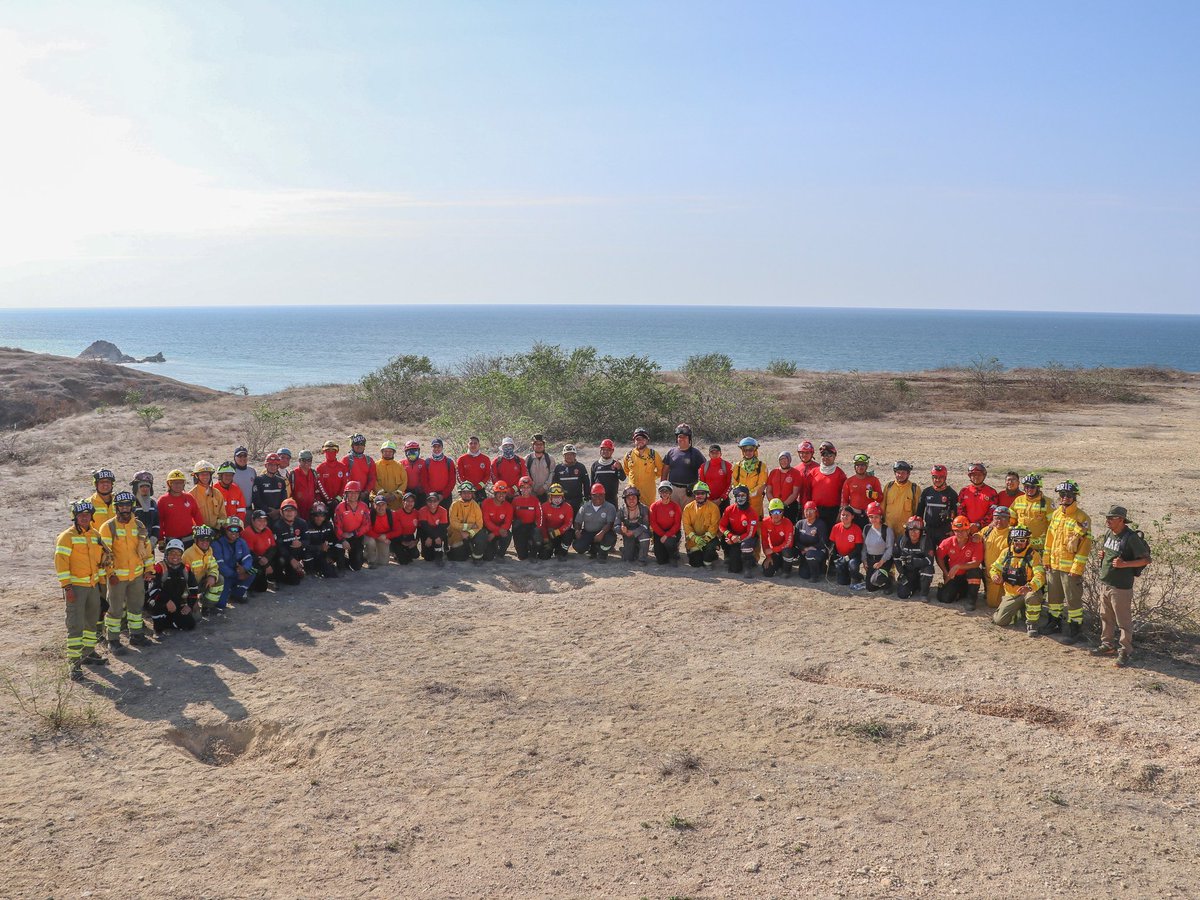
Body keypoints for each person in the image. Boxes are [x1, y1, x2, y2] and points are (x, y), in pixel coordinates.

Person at [1092, 505, 1151, 667]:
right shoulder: (1109, 533)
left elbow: (1146, 560)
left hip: (1121, 587)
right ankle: (1107, 645)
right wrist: (1102, 555)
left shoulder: (1131, 538)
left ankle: (1125, 651)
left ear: (1121, 520)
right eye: (1107, 518)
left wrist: (1125, 564)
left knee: (1123, 621)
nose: (1108, 521)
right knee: (1106, 617)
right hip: (1105, 583)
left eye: (1111, 518)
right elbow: (1110, 553)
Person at [97, 491, 155, 653]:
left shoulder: (139, 526)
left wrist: (149, 570)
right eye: (121, 506)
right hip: (117, 578)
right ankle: (113, 640)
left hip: (136, 576)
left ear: (132, 507)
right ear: (116, 508)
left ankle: (136, 635)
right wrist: (111, 574)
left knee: (136, 608)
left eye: (127, 505)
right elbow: (105, 554)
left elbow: (147, 551)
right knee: (114, 610)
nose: (125, 508)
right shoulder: (108, 527)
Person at [56, 499, 107, 678]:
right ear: (75, 517)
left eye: (87, 515)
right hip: (76, 588)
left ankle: (89, 653)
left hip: (93, 586)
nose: (84, 518)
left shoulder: (94, 535)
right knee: (75, 625)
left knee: (91, 622)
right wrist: (67, 588)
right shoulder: (66, 537)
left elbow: (99, 561)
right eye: (81, 515)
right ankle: (75, 664)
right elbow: (61, 565)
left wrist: (101, 585)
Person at [1042, 480, 1093, 643]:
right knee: (1054, 599)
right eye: (1062, 495)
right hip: (1054, 566)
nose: (1065, 498)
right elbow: (1050, 539)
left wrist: (1077, 568)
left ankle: (1074, 630)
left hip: (1070, 569)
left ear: (1075, 497)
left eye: (1069, 495)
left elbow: (1085, 546)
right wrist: (1046, 559)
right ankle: (1054, 624)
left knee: (1073, 601)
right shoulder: (1056, 514)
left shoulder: (1082, 518)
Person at [990, 526, 1046, 636]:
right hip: (1011, 594)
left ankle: (1032, 624)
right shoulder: (1006, 553)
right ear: (1012, 540)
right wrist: (995, 575)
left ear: (1027, 541)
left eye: (1022, 540)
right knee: (999, 621)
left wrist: (1030, 587)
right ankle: (1018, 612)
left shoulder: (1033, 555)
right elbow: (994, 568)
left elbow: (1040, 576)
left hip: (1027, 592)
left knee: (1032, 597)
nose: (1018, 543)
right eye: (1016, 540)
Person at [146, 540, 199, 636]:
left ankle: (170, 621)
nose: (175, 556)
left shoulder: (186, 569)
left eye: (178, 553)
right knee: (159, 625)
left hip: (177, 604)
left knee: (190, 624)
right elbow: (152, 590)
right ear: (166, 554)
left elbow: (194, 588)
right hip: (160, 602)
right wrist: (167, 601)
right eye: (172, 553)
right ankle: (160, 625)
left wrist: (189, 605)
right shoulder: (159, 567)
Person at [936, 516, 983, 608]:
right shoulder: (947, 542)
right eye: (957, 531)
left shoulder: (976, 543)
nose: (959, 533)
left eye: (962, 530)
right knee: (945, 598)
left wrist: (958, 566)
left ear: (968, 531)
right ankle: (961, 592)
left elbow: (976, 563)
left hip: (968, 575)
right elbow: (939, 557)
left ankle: (971, 601)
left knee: (975, 571)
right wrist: (946, 572)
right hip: (954, 576)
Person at [212, 516, 254, 609]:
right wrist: (237, 575)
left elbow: (248, 558)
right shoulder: (216, 544)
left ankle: (237, 594)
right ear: (225, 530)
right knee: (221, 605)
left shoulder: (241, 542)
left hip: (237, 572)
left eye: (237, 529)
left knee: (252, 571)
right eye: (231, 529)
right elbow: (221, 566)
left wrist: (244, 568)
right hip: (224, 577)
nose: (234, 532)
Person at [916, 465, 958, 557]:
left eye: (940, 477)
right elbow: (919, 513)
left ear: (945, 478)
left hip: (945, 531)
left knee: (945, 558)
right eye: (935, 477)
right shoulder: (926, 492)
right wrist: (919, 530)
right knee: (927, 558)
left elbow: (956, 515)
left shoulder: (952, 494)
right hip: (929, 530)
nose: (937, 480)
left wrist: (953, 531)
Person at [661, 423, 706, 509]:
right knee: (673, 515)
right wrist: (663, 486)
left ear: (689, 439)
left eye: (685, 437)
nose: (682, 439)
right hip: (673, 490)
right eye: (680, 437)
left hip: (689, 491)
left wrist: (699, 488)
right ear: (676, 438)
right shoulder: (671, 452)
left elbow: (704, 470)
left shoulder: (696, 453)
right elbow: (665, 470)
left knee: (688, 516)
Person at [157, 469, 204, 551]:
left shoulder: (189, 497)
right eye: (175, 482)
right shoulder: (163, 500)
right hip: (171, 541)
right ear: (169, 484)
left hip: (189, 540)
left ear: (184, 484)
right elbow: (159, 521)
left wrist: (201, 533)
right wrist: (160, 539)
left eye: (180, 482)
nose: (178, 485)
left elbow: (197, 516)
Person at [719, 485, 759, 577]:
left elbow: (750, 533)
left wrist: (738, 539)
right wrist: (730, 536)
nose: (741, 498)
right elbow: (721, 526)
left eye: (743, 495)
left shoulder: (752, 513)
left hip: (747, 538)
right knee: (734, 569)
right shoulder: (729, 509)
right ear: (735, 497)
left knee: (746, 546)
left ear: (747, 496)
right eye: (738, 496)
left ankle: (748, 567)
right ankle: (730, 556)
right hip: (733, 537)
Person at [182, 525, 223, 617]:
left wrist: (212, 576)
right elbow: (183, 581)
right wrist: (193, 600)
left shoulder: (209, 551)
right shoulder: (188, 554)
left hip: (200, 583)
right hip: (187, 589)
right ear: (196, 540)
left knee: (219, 579)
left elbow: (213, 566)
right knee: (196, 619)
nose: (205, 543)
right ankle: (187, 605)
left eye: (207, 540)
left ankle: (207, 606)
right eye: (202, 540)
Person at [978, 507, 1014, 609]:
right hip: (991, 575)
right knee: (992, 604)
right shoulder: (987, 530)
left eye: (1003, 518)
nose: (999, 520)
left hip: (1007, 576)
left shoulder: (1012, 534)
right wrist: (976, 536)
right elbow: (978, 536)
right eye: (996, 518)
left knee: (1008, 603)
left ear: (1009, 520)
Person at [808, 442, 847, 533]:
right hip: (816, 510)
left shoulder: (840, 474)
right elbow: (807, 492)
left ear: (834, 456)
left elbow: (844, 495)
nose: (826, 457)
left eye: (829, 455)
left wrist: (841, 512)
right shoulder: (813, 472)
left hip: (833, 511)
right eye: (824, 455)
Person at [573, 483, 618, 561]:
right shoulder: (584, 507)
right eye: (595, 495)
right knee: (578, 547)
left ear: (604, 495)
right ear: (591, 495)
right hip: (588, 532)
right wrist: (577, 530)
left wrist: (602, 533)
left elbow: (610, 523)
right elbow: (577, 522)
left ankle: (603, 553)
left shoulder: (610, 507)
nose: (598, 497)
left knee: (609, 539)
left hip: (604, 533)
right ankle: (593, 548)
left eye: (601, 495)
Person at [894, 517, 935, 599]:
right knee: (902, 594)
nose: (913, 533)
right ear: (907, 530)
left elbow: (929, 561)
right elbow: (896, 557)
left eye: (916, 530)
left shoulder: (926, 541)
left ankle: (924, 593)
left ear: (921, 531)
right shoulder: (901, 540)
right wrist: (901, 571)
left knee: (928, 569)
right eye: (911, 530)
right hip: (909, 571)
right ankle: (914, 586)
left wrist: (913, 560)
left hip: (921, 571)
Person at [682, 482, 721, 568]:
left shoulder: (714, 508)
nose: (699, 496)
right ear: (694, 495)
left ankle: (710, 558)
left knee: (710, 550)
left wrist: (704, 540)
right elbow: (687, 526)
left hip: (708, 539)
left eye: (702, 493)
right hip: (693, 540)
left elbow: (713, 527)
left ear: (707, 494)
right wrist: (695, 539)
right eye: (697, 493)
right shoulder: (687, 508)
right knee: (696, 563)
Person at [335, 481, 371, 571]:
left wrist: (354, 533)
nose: (353, 495)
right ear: (346, 494)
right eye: (350, 492)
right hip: (342, 536)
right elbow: (336, 526)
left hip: (356, 536)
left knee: (357, 567)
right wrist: (343, 540)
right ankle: (342, 559)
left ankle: (355, 558)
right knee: (341, 566)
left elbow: (367, 525)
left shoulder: (364, 507)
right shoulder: (340, 507)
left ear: (359, 494)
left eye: (356, 493)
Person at [1011, 474, 1051, 554]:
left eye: (1032, 487)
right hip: (1021, 544)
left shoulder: (1047, 502)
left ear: (1038, 487)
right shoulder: (1018, 500)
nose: (1029, 489)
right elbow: (1011, 519)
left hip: (1039, 546)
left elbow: (1052, 524)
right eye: (1026, 486)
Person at [860, 502, 895, 593]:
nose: (873, 519)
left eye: (876, 517)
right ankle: (879, 580)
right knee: (870, 587)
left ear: (881, 517)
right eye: (871, 517)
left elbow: (890, 549)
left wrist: (881, 562)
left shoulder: (887, 530)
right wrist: (864, 560)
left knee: (876, 579)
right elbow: (864, 547)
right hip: (871, 559)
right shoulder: (866, 529)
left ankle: (889, 581)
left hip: (883, 560)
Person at [791, 501, 830, 582]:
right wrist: (803, 548)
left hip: (817, 551)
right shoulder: (800, 523)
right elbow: (796, 541)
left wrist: (811, 548)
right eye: (806, 510)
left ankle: (815, 575)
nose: (809, 513)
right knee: (804, 575)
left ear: (816, 512)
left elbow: (823, 543)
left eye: (811, 510)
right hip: (804, 551)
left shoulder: (820, 524)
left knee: (810, 554)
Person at [841, 454, 883, 529]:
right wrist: (845, 515)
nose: (860, 467)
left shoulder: (874, 480)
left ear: (866, 466)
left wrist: (874, 495)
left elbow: (880, 499)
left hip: (870, 517)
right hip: (854, 516)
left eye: (863, 465)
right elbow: (845, 501)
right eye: (858, 465)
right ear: (854, 467)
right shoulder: (849, 481)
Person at [731, 437, 769, 519]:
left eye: (751, 450)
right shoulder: (737, 466)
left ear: (755, 450)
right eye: (745, 450)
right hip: (740, 500)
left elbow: (762, 484)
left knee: (756, 523)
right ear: (742, 451)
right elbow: (734, 482)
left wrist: (749, 494)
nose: (748, 452)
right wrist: (740, 493)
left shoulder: (762, 466)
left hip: (755, 502)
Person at [448, 483, 486, 562]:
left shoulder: (476, 506)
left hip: (471, 533)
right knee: (459, 558)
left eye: (469, 493)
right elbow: (453, 523)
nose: (467, 495)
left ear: (472, 494)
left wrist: (469, 533)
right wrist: (469, 526)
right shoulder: (454, 505)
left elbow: (479, 524)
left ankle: (477, 558)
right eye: (464, 493)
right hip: (458, 532)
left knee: (482, 535)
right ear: (460, 494)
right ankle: (463, 549)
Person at [881, 461, 920, 539]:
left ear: (908, 474)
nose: (900, 475)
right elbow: (883, 505)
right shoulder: (888, 486)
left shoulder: (914, 488)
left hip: (905, 529)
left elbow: (917, 509)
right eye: (898, 472)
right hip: (889, 527)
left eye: (903, 473)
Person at [273, 498, 308, 584]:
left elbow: (307, 540)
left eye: (292, 510)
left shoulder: (302, 523)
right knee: (292, 581)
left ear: (296, 512)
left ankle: (302, 567)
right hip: (285, 556)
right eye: (286, 511)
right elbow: (279, 547)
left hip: (298, 553)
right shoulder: (277, 526)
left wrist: (301, 543)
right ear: (281, 512)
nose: (289, 513)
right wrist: (291, 559)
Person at [828, 506, 865, 588]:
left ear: (852, 516)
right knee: (842, 582)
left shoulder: (857, 529)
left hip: (853, 557)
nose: (844, 517)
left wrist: (847, 557)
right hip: (841, 556)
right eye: (842, 515)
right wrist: (832, 553)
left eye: (847, 515)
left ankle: (857, 578)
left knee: (852, 565)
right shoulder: (836, 527)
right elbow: (832, 543)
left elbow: (858, 548)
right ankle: (850, 574)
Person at [303, 503, 342, 577]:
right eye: (316, 515)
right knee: (310, 569)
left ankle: (340, 562)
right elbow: (304, 545)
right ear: (312, 516)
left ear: (325, 516)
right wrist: (319, 547)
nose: (319, 518)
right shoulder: (306, 526)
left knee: (330, 574)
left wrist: (330, 555)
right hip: (311, 553)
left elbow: (332, 540)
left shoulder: (329, 525)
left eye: (322, 515)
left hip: (324, 553)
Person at [623, 427, 660, 504]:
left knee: (648, 512)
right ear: (634, 441)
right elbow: (626, 471)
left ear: (647, 440)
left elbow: (660, 470)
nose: (640, 441)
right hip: (633, 491)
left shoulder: (653, 454)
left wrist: (651, 477)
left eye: (643, 439)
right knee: (633, 513)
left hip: (648, 492)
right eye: (638, 439)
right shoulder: (628, 455)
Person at [958, 463, 999, 531]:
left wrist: (979, 524)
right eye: (973, 475)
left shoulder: (992, 492)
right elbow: (960, 509)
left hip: (985, 529)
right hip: (966, 528)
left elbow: (992, 511)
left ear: (984, 475)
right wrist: (967, 524)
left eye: (979, 475)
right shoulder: (964, 491)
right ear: (969, 476)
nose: (976, 477)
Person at [649, 481, 683, 565]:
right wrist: (662, 534)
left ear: (670, 493)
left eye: (667, 491)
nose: (664, 493)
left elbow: (677, 524)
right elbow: (653, 523)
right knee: (661, 560)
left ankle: (673, 555)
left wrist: (667, 535)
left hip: (672, 532)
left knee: (670, 542)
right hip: (659, 532)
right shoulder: (654, 506)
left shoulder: (675, 506)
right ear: (659, 492)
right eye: (662, 491)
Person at [511, 477, 544, 562]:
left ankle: (533, 553)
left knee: (537, 537)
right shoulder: (515, 500)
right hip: (520, 528)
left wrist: (537, 528)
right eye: (523, 487)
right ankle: (523, 545)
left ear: (531, 488)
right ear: (520, 488)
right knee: (522, 556)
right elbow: (511, 515)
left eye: (528, 487)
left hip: (531, 526)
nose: (525, 489)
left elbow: (539, 515)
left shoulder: (535, 500)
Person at [244, 511, 278, 591]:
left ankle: (272, 579)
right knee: (261, 588)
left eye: (265, 520)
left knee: (280, 560)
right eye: (259, 520)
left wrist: (266, 560)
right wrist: (265, 564)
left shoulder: (267, 530)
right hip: (253, 561)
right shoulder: (248, 532)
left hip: (265, 558)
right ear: (252, 520)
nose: (262, 523)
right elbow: (249, 553)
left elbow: (273, 547)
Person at [617, 486, 652, 565]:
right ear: (625, 500)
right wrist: (622, 530)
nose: (631, 500)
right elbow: (616, 525)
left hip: (640, 532)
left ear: (638, 498)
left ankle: (642, 559)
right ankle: (629, 550)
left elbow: (646, 525)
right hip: (627, 533)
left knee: (645, 536)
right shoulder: (621, 510)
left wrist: (634, 532)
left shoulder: (644, 509)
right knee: (628, 558)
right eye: (628, 498)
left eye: (634, 497)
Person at [481, 481, 515, 561]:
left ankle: (500, 554)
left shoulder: (508, 506)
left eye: (504, 493)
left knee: (507, 535)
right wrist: (493, 532)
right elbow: (486, 521)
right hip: (488, 530)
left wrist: (495, 533)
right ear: (495, 493)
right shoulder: (486, 503)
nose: (501, 495)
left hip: (500, 531)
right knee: (488, 558)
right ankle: (493, 546)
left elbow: (507, 524)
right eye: (499, 492)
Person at [765, 452, 803, 523]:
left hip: (789, 506)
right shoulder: (773, 472)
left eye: (785, 459)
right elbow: (768, 491)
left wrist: (783, 505)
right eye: (781, 459)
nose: (783, 461)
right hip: (774, 507)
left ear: (789, 460)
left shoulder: (796, 473)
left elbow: (795, 493)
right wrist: (774, 504)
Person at [552, 445, 590, 514]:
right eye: (567, 454)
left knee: (577, 523)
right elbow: (554, 484)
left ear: (575, 455)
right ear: (563, 455)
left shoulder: (581, 467)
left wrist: (587, 498)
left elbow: (586, 483)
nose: (569, 456)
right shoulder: (558, 468)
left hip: (577, 501)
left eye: (571, 454)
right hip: (562, 501)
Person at [539, 484, 574, 560]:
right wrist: (545, 537)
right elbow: (542, 524)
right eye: (554, 497)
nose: (557, 499)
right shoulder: (544, 507)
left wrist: (558, 532)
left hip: (561, 534)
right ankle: (549, 548)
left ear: (563, 497)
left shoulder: (568, 507)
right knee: (544, 556)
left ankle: (562, 551)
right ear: (550, 497)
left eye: (559, 496)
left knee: (570, 533)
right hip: (549, 534)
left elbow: (568, 524)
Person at [760, 499, 794, 577]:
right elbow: (764, 541)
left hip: (785, 549)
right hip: (775, 551)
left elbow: (789, 543)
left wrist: (772, 550)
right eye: (773, 512)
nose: (776, 515)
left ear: (783, 512)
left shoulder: (788, 523)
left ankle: (787, 570)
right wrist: (768, 557)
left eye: (779, 512)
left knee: (787, 552)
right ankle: (779, 564)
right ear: (769, 513)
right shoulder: (765, 522)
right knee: (767, 572)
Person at [251, 453, 289, 521]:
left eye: (275, 465)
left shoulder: (281, 481)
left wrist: (277, 511)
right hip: (262, 516)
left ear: (278, 466)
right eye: (270, 465)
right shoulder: (258, 480)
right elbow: (256, 500)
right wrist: (268, 511)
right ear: (266, 465)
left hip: (278, 515)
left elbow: (284, 499)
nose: (273, 467)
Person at [366, 495, 401, 569]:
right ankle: (370, 560)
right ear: (374, 505)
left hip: (383, 538)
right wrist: (378, 537)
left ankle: (370, 553)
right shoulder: (369, 514)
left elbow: (398, 531)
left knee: (383, 562)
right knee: (371, 542)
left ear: (386, 505)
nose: (380, 507)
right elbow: (367, 530)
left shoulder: (392, 514)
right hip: (372, 537)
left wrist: (386, 536)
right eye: (378, 504)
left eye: (383, 504)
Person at [375, 440, 409, 511]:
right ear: (382, 452)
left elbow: (404, 482)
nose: (388, 453)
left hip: (396, 503)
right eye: (385, 451)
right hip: (380, 503)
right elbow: (374, 482)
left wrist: (395, 495)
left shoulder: (399, 466)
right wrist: (384, 496)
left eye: (390, 451)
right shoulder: (376, 466)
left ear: (394, 453)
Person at [697, 444, 733, 513]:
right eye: (712, 452)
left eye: (717, 452)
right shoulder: (704, 466)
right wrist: (707, 499)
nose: (714, 454)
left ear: (721, 454)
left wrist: (721, 498)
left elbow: (730, 484)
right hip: (708, 500)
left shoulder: (727, 466)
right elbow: (701, 484)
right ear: (709, 454)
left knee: (725, 522)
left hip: (723, 500)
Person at [590, 439, 626, 506]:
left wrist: (620, 469)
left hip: (612, 500)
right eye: (603, 449)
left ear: (612, 451)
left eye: (608, 450)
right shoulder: (595, 465)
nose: (605, 451)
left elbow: (623, 478)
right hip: (598, 498)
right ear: (600, 450)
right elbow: (592, 483)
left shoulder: (616, 464)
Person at [425, 439, 459, 510]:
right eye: (434, 447)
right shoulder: (427, 462)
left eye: (439, 447)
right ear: (432, 448)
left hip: (445, 496)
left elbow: (452, 480)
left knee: (445, 518)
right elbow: (423, 479)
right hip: (431, 495)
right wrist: (431, 494)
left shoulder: (449, 462)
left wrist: (443, 495)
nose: (436, 449)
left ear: (442, 448)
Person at [190, 460, 224, 528]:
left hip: (216, 532)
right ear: (196, 476)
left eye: (207, 474)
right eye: (202, 474)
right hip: (199, 534)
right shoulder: (191, 495)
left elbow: (222, 515)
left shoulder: (217, 493)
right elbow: (189, 518)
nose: (205, 476)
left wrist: (219, 527)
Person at [417, 492, 450, 564]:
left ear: (438, 501)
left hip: (438, 532)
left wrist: (435, 538)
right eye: (429, 501)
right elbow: (424, 526)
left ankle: (440, 551)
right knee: (428, 558)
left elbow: (443, 527)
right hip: (426, 532)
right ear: (426, 502)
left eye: (435, 501)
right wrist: (430, 537)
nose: (432, 503)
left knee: (438, 551)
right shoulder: (422, 510)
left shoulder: (443, 511)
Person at [457, 436, 492, 503]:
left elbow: (487, 476)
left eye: (475, 443)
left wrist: (478, 487)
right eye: (471, 443)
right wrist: (468, 488)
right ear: (467, 445)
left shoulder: (485, 459)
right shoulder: (461, 459)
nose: (473, 445)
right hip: (466, 491)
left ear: (479, 445)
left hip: (480, 490)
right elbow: (460, 476)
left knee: (481, 511)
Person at [343, 434, 378, 499]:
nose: (359, 446)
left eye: (362, 444)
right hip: (350, 494)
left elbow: (372, 478)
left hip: (364, 495)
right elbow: (344, 479)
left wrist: (366, 492)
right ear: (352, 446)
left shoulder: (369, 460)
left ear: (364, 446)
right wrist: (351, 492)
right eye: (357, 444)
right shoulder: (346, 459)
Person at [316, 440, 349, 511]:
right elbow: (320, 486)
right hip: (325, 502)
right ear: (324, 452)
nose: (330, 453)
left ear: (336, 452)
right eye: (328, 451)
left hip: (339, 502)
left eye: (333, 451)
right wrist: (328, 500)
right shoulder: (320, 468)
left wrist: (338, 499)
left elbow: (345, 485)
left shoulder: (343, 467)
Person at [288, 450, 320, 519]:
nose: (306, 462)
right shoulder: (293, 474)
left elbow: (316, 490)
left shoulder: (314, 473)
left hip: (311, 510)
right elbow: (289, 493)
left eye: (309, 460)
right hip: (297, 511)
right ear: (299, 461)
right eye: (303, 460)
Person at [130, 471, 160, 545]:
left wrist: (154, 538)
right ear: (136, 487)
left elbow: (156, 523)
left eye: (147, 486)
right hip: (133, 543)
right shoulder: (130, 503)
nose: (145, 489)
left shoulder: (152, 503)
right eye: (142, 486)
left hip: (150, 544)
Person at [525, 433, 556, 502]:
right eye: (536, 444)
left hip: (546, 493)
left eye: (541, 444)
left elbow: (552, 474)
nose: (539, 446)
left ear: (544, 446)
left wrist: (544, 487)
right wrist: (532, 487)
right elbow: (526, 473)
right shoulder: (527, 459)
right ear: (533, 446)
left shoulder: (550, 459)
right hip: (531, 492)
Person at [392, 493, 421, 565]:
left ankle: (404, 552)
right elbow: (393, 531)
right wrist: (402, 542)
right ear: (403, 502)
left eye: (412, 501)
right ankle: (395, 552)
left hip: (410, 537)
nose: (410, 503)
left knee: (416, 555)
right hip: (398, 538)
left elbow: (420, 528)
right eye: (408, 501)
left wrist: (415, 541)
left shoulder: (416, 513)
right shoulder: (397, 514)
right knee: (404, 562)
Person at [401, 441, 428, 506]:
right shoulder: (401, 464)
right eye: (409, 452)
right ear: (405, 453)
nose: (412, 454)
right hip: (406, 493)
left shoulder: (424, 463)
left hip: (420, 493)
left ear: (418, 452)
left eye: (414, 452)